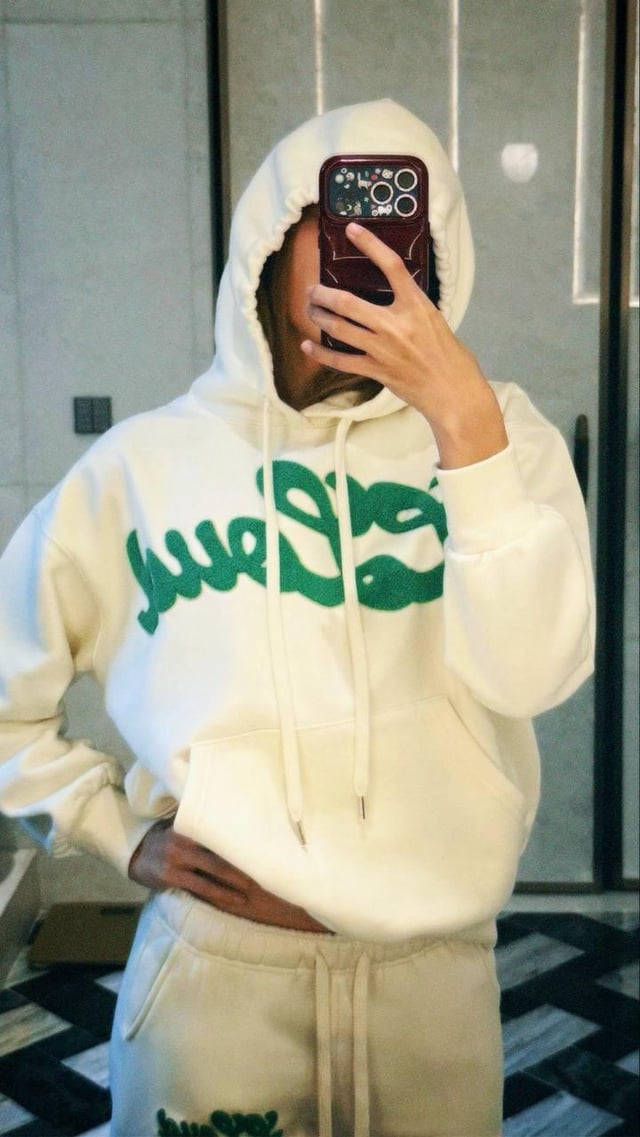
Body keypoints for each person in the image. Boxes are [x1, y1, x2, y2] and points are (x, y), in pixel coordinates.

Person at [0, 100, 595, 1137]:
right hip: (217, 979)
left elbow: (533, 676)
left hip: (435, 986)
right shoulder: (144, 467)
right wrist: (110, 830)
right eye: (343, 229)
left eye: (399, 239)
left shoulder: (502, 439)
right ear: (270, 249)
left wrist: (466, 432)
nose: (372, 260)